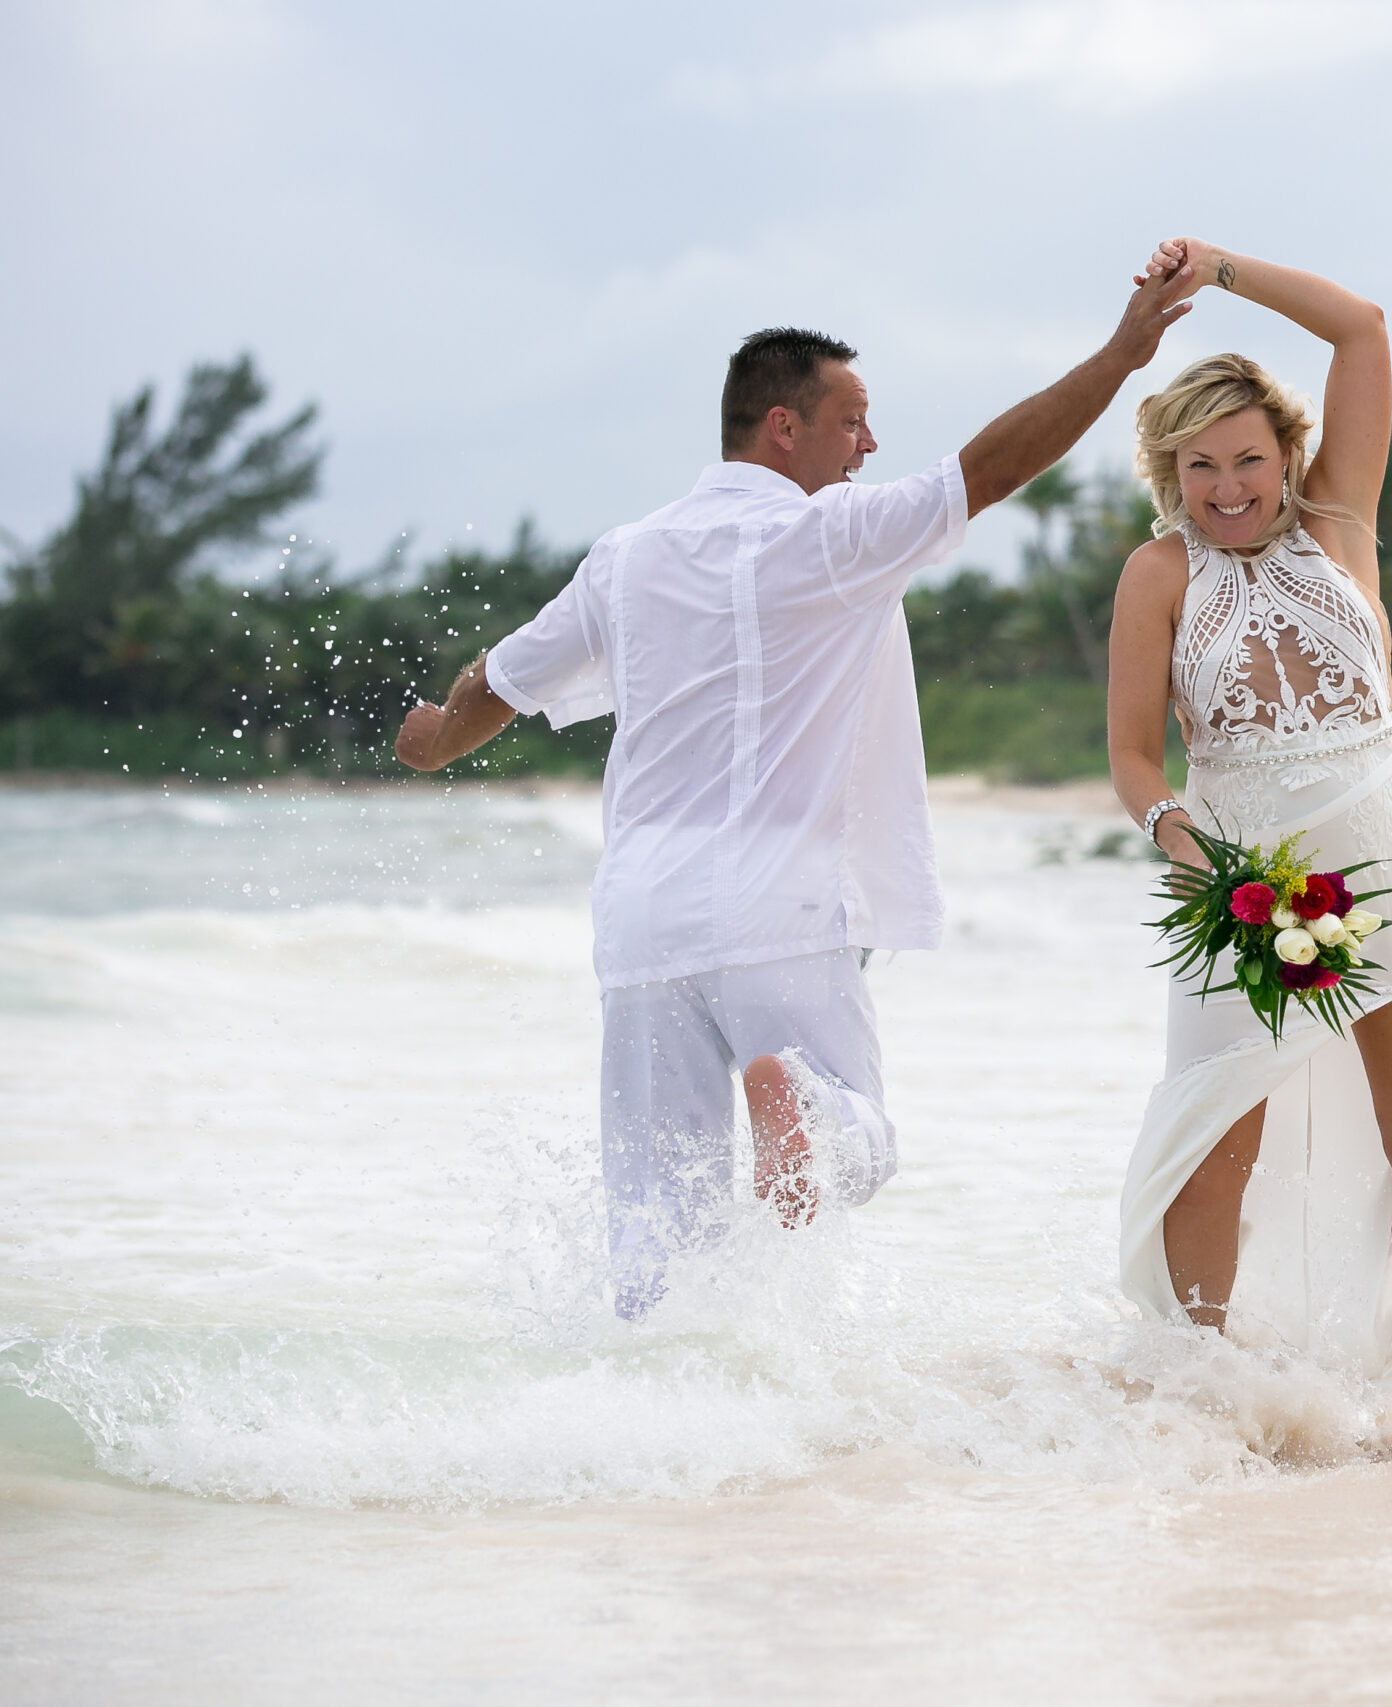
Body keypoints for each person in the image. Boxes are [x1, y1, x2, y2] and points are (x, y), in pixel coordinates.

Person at [396, 272, 1196, 1316]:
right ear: (783, 428)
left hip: (641, 922)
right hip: (778, 909)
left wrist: (430, 742)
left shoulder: (624, 560)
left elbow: (495, 683)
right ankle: (808, 1116)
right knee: (856, 1137)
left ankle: (652, 1424)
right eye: (852, 422)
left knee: (652, 1226)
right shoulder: (832, 538)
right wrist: (1120, 356)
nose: (868, 446)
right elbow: (988, 470)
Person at [1106, 239, 1392, 1379]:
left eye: (1246, 459)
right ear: (1168, 474)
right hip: (1246, 878)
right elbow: (1132, 755)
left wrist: (1217, 270)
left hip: (1387, 862)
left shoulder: (1341, 531)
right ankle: (1200, 1389)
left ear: (1289, 455)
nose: (1226, 489)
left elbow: (1362, 327)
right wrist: (1177, 838)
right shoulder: (1158, 573)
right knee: (1217, 1139)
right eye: (1197, 468)